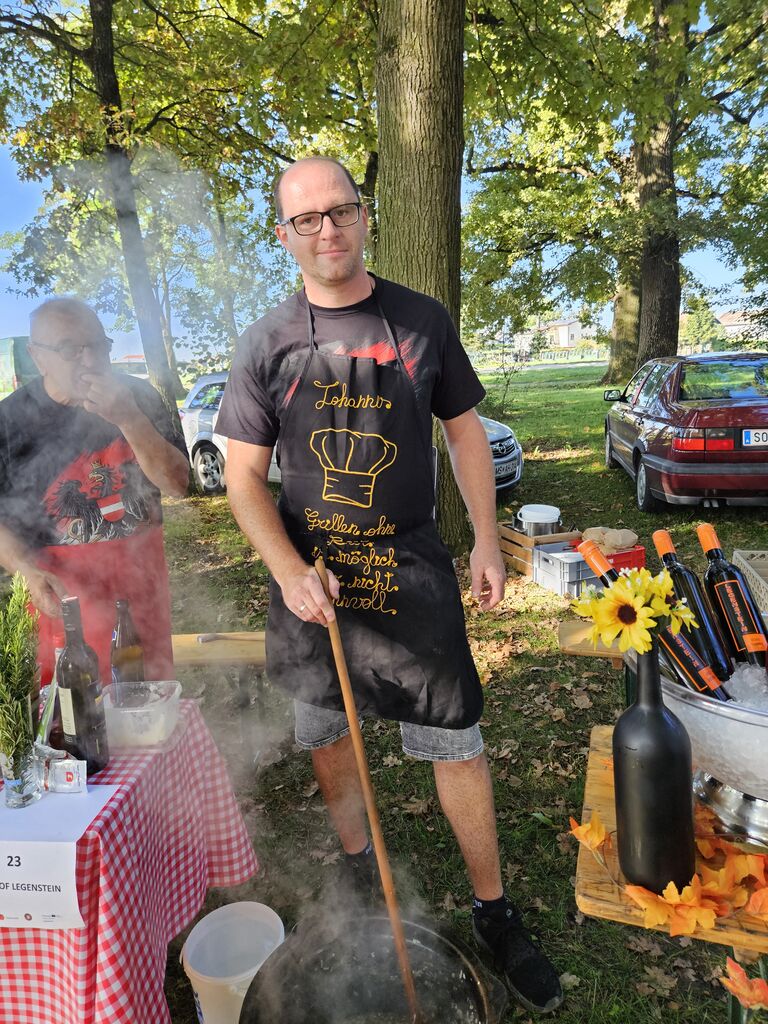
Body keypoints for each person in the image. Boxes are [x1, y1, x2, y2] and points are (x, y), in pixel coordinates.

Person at [216, 156, 563, 1015]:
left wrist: (485, 538)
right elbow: (243, 479)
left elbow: (466, 434)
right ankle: (359, 872)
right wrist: (287, 570)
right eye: (307, 219)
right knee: (327, 731)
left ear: (364, 215)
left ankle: (494, 911)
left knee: (456, 739)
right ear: (283, 235)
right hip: (314, 583)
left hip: (410, 573)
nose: (327, 230)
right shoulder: (266, 341)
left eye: (341, 211)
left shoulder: (420, 319)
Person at [0, 297, 189, 686]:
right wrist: (26, 570)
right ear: (38, 356)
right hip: (59, 599)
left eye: (98, 346)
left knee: (146, 701)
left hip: (141, 591)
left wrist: (128, 417)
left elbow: (177, 485)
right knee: (73, 712)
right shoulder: (9, 421)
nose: (89, 360)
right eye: (70, 349)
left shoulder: (139, 397)